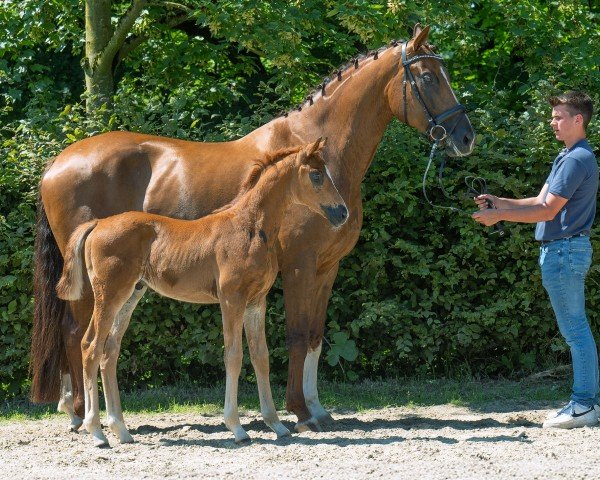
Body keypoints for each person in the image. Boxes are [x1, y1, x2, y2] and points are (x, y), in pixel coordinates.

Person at [472, 91, 599, 429]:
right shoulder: (568, 156)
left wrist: (499, 216)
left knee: (575, 329)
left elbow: (547, 210)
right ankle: (587, 403)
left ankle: (584, 405)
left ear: (578, 120)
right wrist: (500, 202)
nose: (552, 122)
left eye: (559, 117)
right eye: (553, 116)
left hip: (564, 250)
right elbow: (540, 199)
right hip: (563, 250)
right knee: (576, 328)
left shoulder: (575, 159)